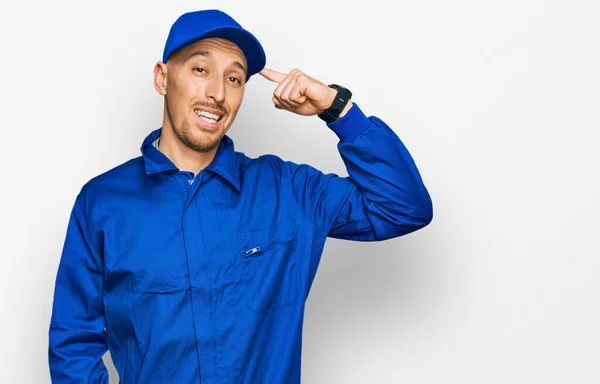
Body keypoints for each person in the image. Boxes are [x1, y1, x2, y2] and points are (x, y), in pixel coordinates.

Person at [48, 8, 433, 384]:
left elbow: (402, 208)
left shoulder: (287, 189)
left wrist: (338, 109)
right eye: (201, 70)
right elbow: (73, 345)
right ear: (162, 78)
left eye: (234, 79)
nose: (217, 93)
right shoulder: (103, 203)